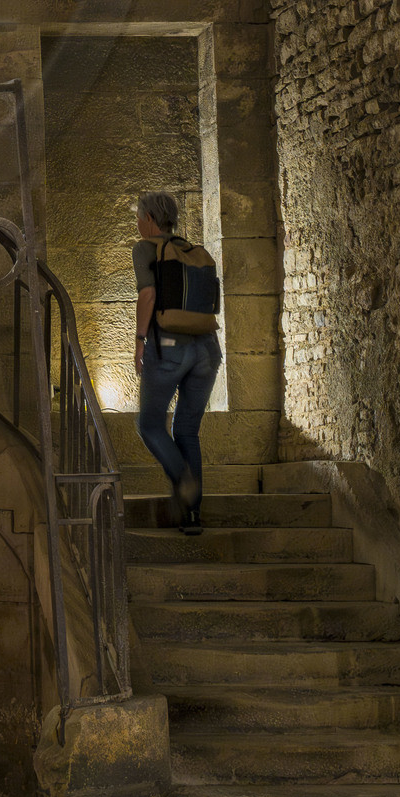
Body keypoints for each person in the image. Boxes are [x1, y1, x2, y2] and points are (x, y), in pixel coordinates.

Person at [133, 190, 221, 537]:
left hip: (169, 347)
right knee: (186, 431)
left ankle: (184, 480)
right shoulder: (191, 250)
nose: (138, 224)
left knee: (149, 425)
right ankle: (192, 516)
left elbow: (148, 294)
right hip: (207, 350)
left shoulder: (145, 248)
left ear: (150, 219)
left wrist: (140, 340)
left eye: (139, 217)